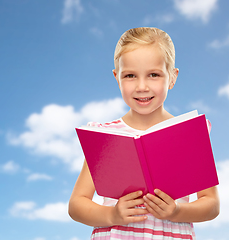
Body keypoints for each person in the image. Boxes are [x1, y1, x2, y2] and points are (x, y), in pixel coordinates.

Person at [68, 27, 220, 240]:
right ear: (117, 78)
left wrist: (177, 211)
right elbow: (77, 204)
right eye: (130, 75)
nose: (141, 86)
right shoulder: (106, 136)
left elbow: (211, 204)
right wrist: (112, 214)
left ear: (172, 77)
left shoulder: (189, 134)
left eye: (154, 75)